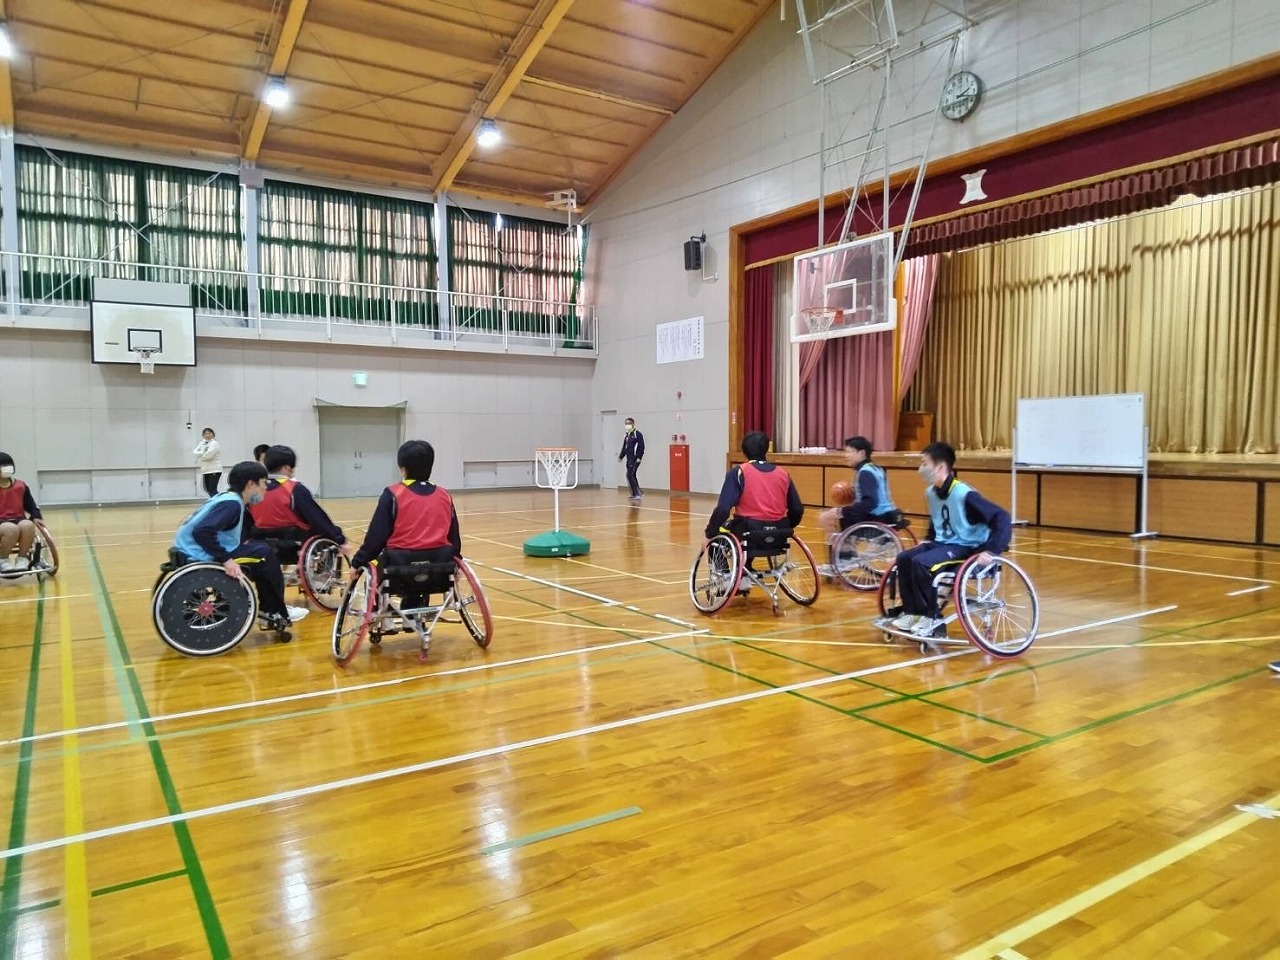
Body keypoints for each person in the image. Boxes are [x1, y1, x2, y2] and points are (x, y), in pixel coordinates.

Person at [886, 441, 1011, 638]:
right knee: (904, 558)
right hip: (944, 543)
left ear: (941, 467)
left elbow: (1002, 517)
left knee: (920, 563)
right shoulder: (931, 492)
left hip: (967, 546)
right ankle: (912, 612)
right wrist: (928, 539)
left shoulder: (963, 493)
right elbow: (938, 519)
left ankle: (931, 616)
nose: (921, 468)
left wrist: (991, 550)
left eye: (925, 463)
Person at [171, 460, 309, 633]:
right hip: (199, 554)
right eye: (263, 483)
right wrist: (227, 560)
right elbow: (203, 531)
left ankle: (271, 607)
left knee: (261, 547)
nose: (266, 488)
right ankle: (274, 611)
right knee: (265, 555)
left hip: (187, 551)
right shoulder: (232, 504)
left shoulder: (226, 498)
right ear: (251, 484)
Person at [350, 439, 461, 609]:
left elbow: (376, 537)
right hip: (439, 565)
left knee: (372, 567)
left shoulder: (393, 494)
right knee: (426, 566)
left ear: (403, 469)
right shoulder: (444, 495)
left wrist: (357, 563)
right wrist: (457, 559)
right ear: (430, 466)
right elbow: (453, 535)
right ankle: (416, 610)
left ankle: (380, 615)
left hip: (399, 564)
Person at [703, 431, 804, 588]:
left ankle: (724, 579)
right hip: (779, 532)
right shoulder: (783, 474)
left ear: (744, 451)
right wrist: (786, 527)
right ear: (766, 450)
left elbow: (723, 509)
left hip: (749, 531)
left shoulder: (738, 472)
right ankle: (745, 569)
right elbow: (797, 509)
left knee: (718, 537)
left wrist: (710, 534)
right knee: (748, 533)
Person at [247, 445, 355, 560]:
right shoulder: (294, 489)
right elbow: (317, 519)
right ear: (288, 467)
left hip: (260, 545)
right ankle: (326, 574)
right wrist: (340, 540)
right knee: (331, 531)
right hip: (294, 546)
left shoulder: (253, 489)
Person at [818, 435, 901, 537]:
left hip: (877, 518)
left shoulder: (865, 472)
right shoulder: (876, 468)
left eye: (849, 452)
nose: (846, 455)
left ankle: (842, 551)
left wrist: (842, 511)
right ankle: (846, 548)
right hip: (890, 514)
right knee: (839, 513)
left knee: (827, 518)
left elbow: (870, 502)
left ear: (861, 453)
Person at [0, 452, 42, 573]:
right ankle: (3, 560)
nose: (6, 468)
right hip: (1, 523)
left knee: (28, 525)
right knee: (11, 529)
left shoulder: (20, 486)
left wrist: (36, 515)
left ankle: (22, 558)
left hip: (17, 518)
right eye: (2, 466)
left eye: (8, 465)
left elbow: (31, 505)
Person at [618, 417, 645, 501]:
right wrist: (621, 456)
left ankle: (638, 493)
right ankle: (635, 493)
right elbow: (625, 447)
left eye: (628, 423)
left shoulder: (637, 434)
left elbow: (641, 446)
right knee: (631, 475)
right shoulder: (627, 435)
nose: (627, 425)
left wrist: (639, 457)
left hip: (635, 459)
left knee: (629, 475)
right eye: (626, 423)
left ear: (633, 424)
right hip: (628, 458)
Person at [193, 428, 223, 497]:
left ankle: (217, 503)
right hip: (206, 470)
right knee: (207, 489)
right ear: (203, 435)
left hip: (214, 470)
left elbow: (208, 456)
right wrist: (203, 452)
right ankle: (214, 502)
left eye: (209, 433)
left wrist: (201, 456)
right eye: (205, 434)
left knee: (212, 489)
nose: (207, 435)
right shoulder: (202, 443)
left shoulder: (215, 443)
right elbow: (194, 453)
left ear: (213, 434)